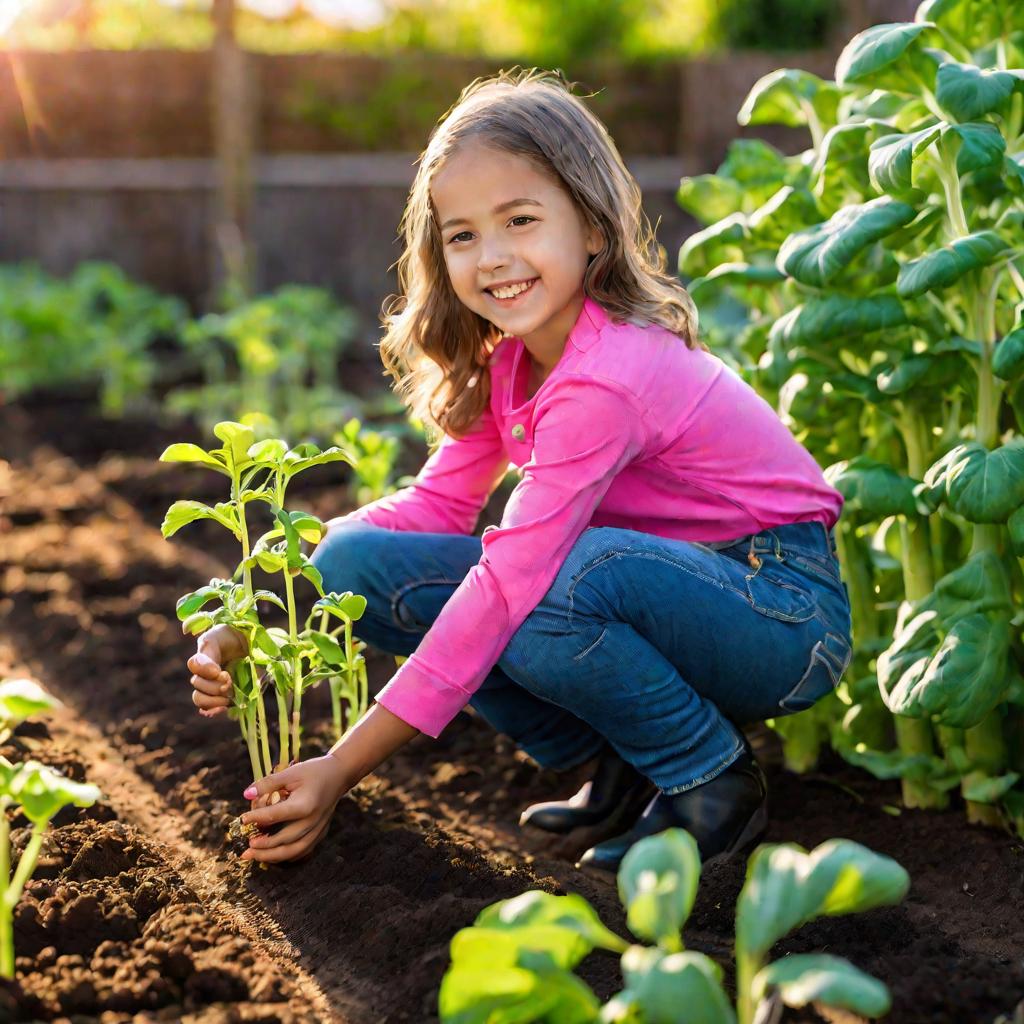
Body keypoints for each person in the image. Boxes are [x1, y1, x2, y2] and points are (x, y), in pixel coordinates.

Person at [186, 67, 852, 875]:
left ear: (594, 228)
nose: (493, 257)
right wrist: (257, 612)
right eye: (462, 234)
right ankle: (623, 757)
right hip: (659, 591)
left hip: (780, 614)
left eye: (521, 220)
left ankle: (708, 779)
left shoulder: (607, 374)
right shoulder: (513, 364)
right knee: (361, 564)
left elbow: (510, 583)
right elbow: (432, 506)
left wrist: (341, 768)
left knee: (543, 588)